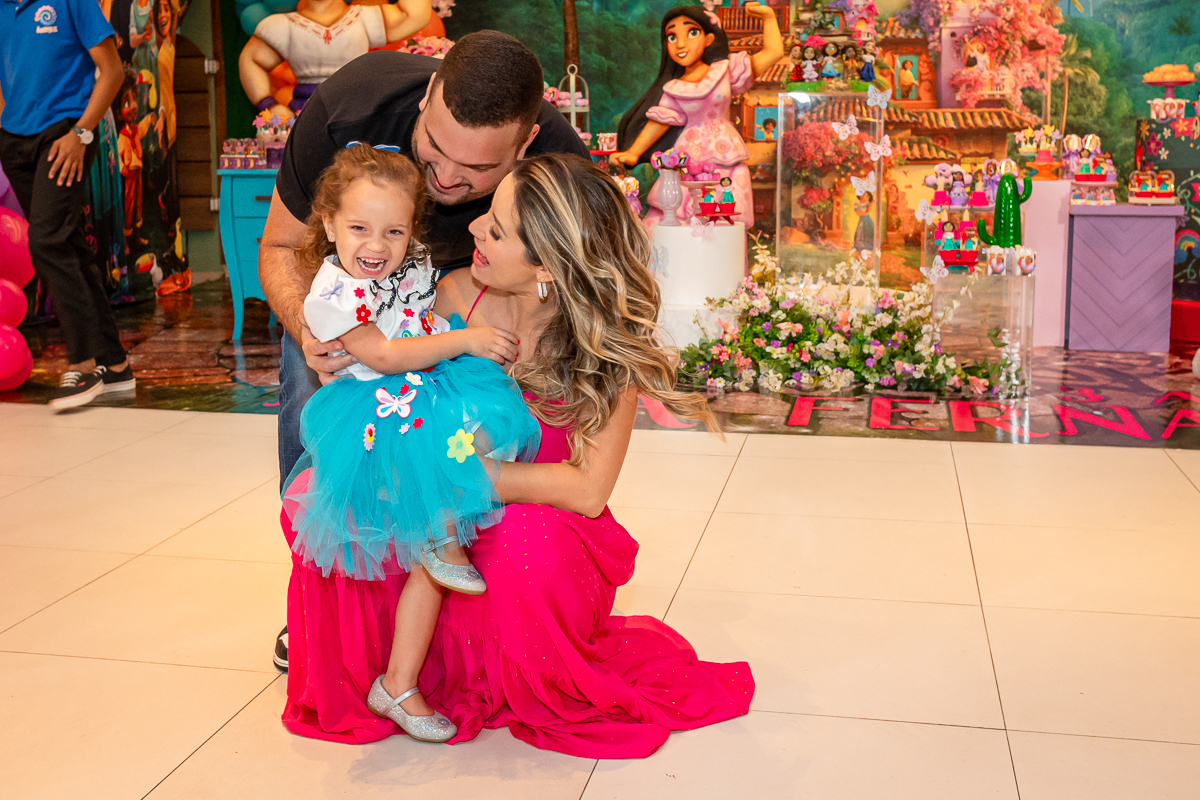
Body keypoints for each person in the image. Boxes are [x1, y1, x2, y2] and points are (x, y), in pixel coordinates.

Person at [281, 153, 754, 757]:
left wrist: (468, 478)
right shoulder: (452, 296)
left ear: (547, 266)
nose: (474, 227)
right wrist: (328, 351)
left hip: (531, 522)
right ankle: (389, 675)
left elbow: (588, 490)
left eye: (497, 230)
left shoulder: (605, 351)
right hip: (438, 513)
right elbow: (382, 374)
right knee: (337, 506)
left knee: (525, 545)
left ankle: (469, 667)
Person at [262, 31, 588, 672]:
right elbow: (279, 247)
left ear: (525, 144)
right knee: (316, 412)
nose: (445, 177)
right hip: (347, 303)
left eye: (478, 171)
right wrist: (310, 330)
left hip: (457, 299)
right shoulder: (351, 106)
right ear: (430, 93)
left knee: (454, 431)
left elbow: (580, 280)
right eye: (435, 148)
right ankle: (321, 595)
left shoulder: (559, 158)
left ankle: (439, 586)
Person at [284, 144, 543, 741]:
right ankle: (441, 538)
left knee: (474, 450)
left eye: (394, 231)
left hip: (418, 389)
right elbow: (383, 355)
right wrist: (466, 340)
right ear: (328, 225)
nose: (377, 245)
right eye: (359, 228)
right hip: (377, 413)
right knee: (442, 482)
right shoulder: (334, 295)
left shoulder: (404, 266)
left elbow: (413, 323)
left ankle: (398, 683)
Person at [0, 0, 136, 409]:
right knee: (67, 242)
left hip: (66, 134)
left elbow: (112, 71)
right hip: (15, 139)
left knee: (47, 241)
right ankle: (115, 365)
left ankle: (83, 364)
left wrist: (82, 133)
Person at [609, 3, 782, 229]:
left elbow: (774, 52)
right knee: (676, 216)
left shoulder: (725, 70)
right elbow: (660, 121)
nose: (681, 44)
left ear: (709, 39)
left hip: (725, 156)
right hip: (687, 158)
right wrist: (633, 152)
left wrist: (768, 17)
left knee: (724, 219)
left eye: (692, 33)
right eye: (672, 37)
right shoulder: (674, 88)